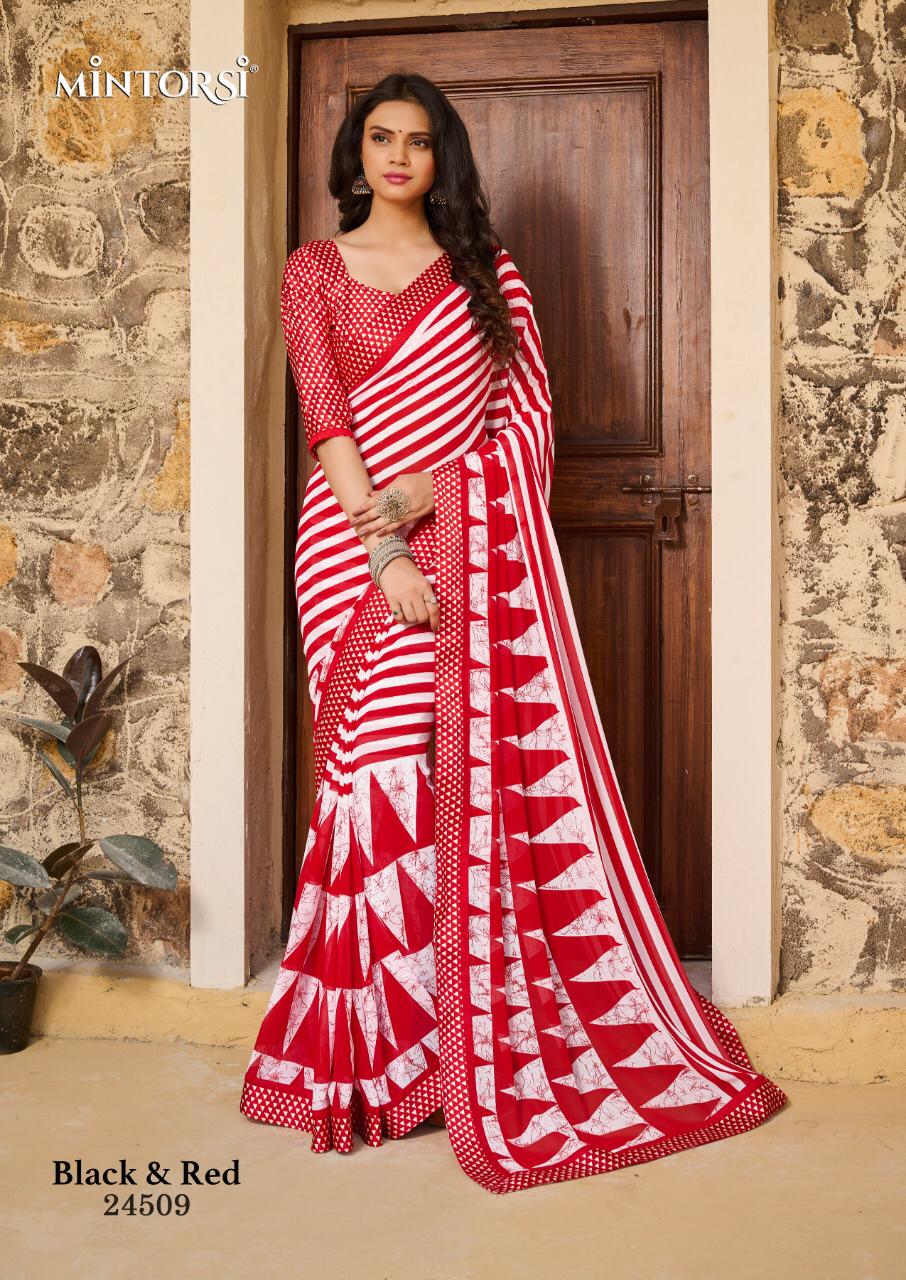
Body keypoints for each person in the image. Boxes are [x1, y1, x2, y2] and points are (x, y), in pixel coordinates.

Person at [239, 72, 788, 1196]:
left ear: (443, 158)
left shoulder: (487, 276)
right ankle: (378, 1058)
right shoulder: (314, 269)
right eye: (381, 137)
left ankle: (455, 1046)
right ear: (355, 153)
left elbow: (525, 427)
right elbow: (328, 421)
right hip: (352, 549)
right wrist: (387, 552)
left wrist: (435, 498)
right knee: (377, 779)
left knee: (455, 777)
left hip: (464, 537)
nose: (399, 156)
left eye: (419, 141)